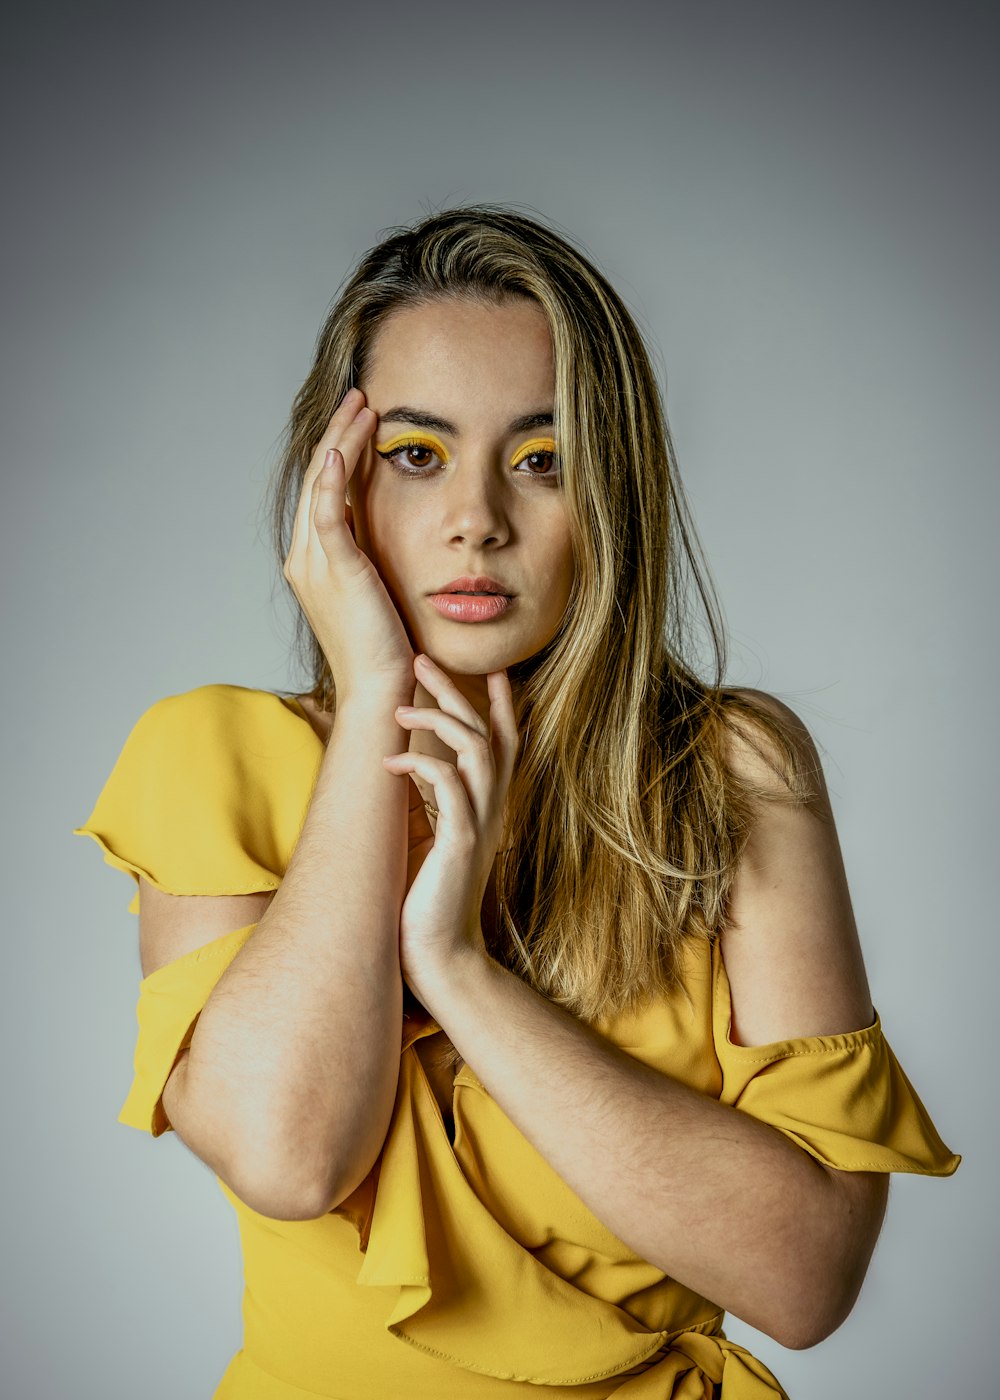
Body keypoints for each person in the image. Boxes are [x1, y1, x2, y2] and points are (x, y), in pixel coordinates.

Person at [73, 204, 959, 1399]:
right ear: (335, 487)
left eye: (542, 461)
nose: (477, 519)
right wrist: (376, 693)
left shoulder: (732, 771)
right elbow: (287, 1156)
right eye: (417, 454)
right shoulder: (217, 753)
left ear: (615, 495)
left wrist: (453, 964)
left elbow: (804, 1281)